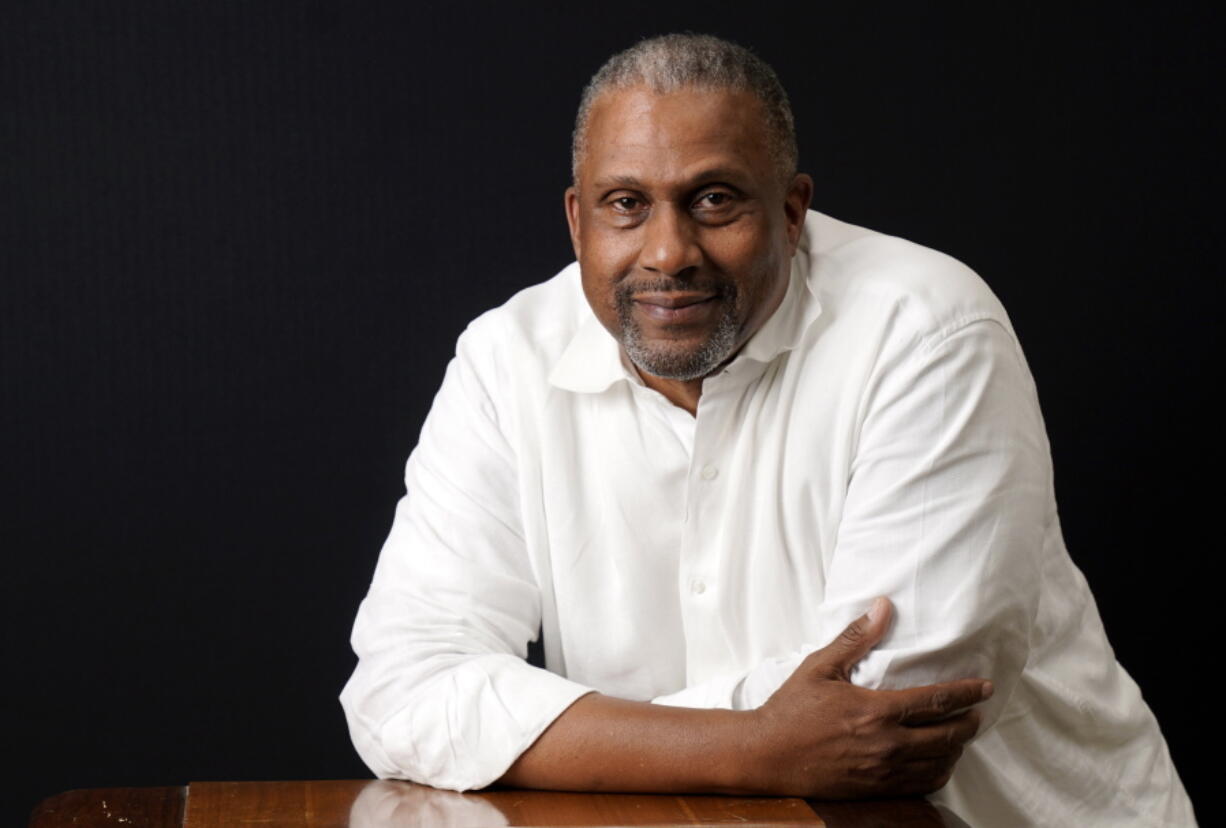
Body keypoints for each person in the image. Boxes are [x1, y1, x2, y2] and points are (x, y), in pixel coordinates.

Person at [340, 34, 1195, 826]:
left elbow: (890, 717)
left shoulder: (929, 330)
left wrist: (530, 734)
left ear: (792, 210)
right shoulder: (505, 359)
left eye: (713, 200)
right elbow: (400, 690)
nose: (668, 253)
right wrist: (758, 744)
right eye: (626, 204)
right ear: (577, 220)